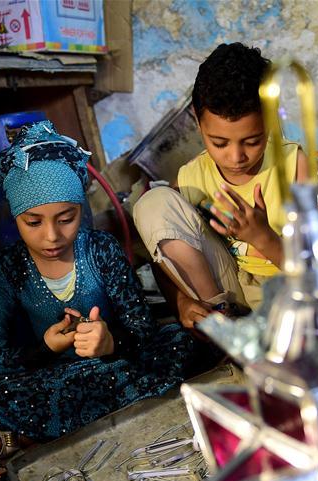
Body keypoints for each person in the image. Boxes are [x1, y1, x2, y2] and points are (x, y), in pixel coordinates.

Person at [0, 120, 213, 459]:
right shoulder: (5, 271)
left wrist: (111, 341)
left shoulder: (101, 250)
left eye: (65, 218)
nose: (52, 236)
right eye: (34, 222)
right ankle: (107, 416)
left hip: (115, 366)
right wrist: (46, 348)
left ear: (81, 210)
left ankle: (35, 434)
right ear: (15, 218)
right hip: (53, 378)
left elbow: (142, 329)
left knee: (183, 342)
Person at [132, 42, 309, 329]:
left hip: (295, 291)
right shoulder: (192, 178)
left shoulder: (294, 167)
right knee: (154, 202)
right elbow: (163, 255)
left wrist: (262, 237)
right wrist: (181, 302)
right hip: (237, 294)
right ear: (197, 119)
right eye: (220, 143)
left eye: (252, 141)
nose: (236, 157)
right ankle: (221, 323)